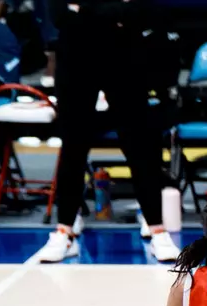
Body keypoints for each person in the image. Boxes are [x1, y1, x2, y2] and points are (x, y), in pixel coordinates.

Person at [36, 0, 177, 264]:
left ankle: (157, 229)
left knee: (141, 147)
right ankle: (64, 232)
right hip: (76, 62)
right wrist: (112, 13)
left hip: (125, 60)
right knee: (73, 148)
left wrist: (85, 9)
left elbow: (141, 13)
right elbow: (59, 15)